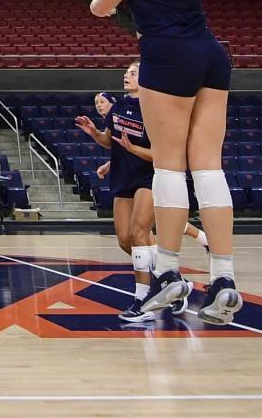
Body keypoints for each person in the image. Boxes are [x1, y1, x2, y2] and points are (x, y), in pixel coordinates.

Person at [89, 0, 241, 323]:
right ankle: (224, 280)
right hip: (211, 55)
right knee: (209, 169)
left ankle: (170, 276)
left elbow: (99, 9)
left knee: (170, 168)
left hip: (168, 58)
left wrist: (112, 0)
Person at [75, 65, 204, 324]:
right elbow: (110, 141)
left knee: (138, 233)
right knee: (125, 240)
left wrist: (133, 149)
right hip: (123, 177)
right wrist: (94, 134)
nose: (127, 76)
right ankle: (174, 282)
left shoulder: (154, 109)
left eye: (133, 73)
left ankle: (143, 302)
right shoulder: (118, 108)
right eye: (126, 73)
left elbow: (162, 154)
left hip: (149, 176)